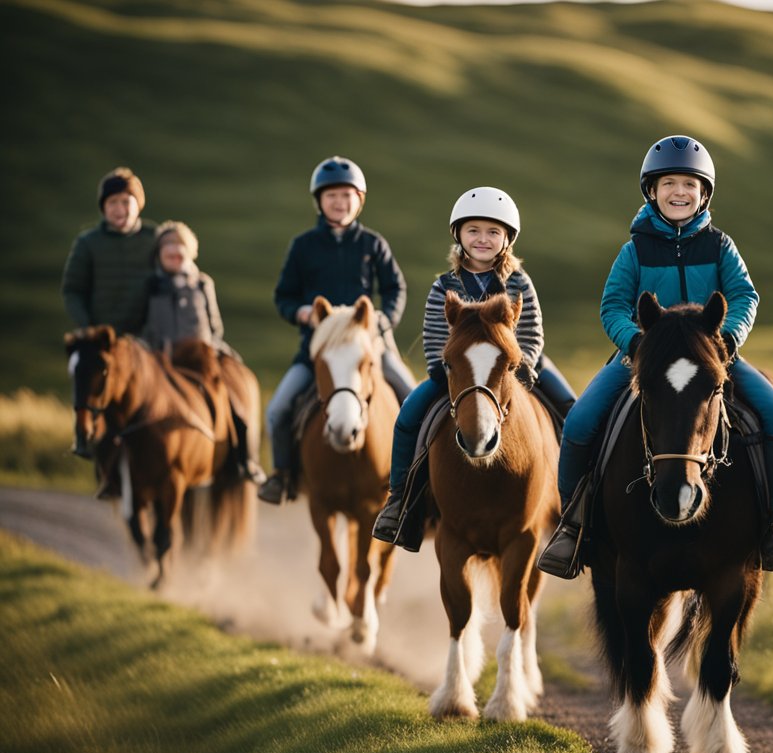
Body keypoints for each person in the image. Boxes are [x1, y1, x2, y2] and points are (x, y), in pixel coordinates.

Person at [537, 135, 773, 577]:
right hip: (643, 360)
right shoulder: (635, 250)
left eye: (689, 184)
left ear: (704, 194)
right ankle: (572, 528)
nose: (679, 192)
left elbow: (744, 296)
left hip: (712, 357)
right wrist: (635, 344)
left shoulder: (720, 245)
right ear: (652, 191)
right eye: (669, 184)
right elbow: (613, 306)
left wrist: (728, 338)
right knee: (582, 420)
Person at [371, 186, 577, 545]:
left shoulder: (519, 283)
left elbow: (531, 336)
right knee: (408, 418)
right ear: (459, 235)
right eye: (474, 231)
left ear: (506, 239)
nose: (483, 239)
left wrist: (521, 367)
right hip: (458, 373)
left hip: (515, 371)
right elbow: (436, 339)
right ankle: (401, 502)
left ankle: (574, 508)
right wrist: (445, 370)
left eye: (493, 232)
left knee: (571, 411)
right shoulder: (443, 286)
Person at [259, 156, 413, 505]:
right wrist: (298, 311)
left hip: (371, 348)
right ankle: (283, 476)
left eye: (346, 196)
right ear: (319, 201)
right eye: (331, 197)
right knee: (278, 409)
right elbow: (283, 295)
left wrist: (382, 320)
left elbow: (395, 290)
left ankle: (418, 481)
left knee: (413, 399)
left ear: (359, 200)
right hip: (319, 351)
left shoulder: (373, 244)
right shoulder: (303, 246)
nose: (339, 203)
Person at [142, 220, 266, 484]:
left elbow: (214, 324)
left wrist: (209, 347)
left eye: (180, 252)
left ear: (190, 254)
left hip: (201, 357)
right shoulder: (150, 286)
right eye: (169, 252)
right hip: (163, 361)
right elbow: (145, 326)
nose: (175, 257)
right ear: (160, 255)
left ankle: (246, 460)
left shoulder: (202, 283)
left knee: (235, 403)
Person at [62, 166, 157, 336]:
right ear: (103, 207)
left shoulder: (155, 240)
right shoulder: (87, 243)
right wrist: (89, 328)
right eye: (112, 202)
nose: (119, 209)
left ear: (139, 204)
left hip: (147, 341)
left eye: (126, 201)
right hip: (100, 340)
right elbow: (73, 290)